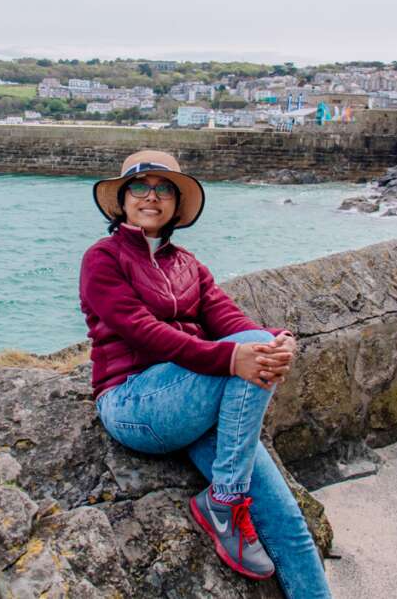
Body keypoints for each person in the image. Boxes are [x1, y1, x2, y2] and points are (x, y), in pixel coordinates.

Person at [79, 150, 332, 598]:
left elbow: (233, 322)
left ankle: (227, 501)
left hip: (196, 407)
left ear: (177, 204)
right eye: (139, 187)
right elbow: (145, 332)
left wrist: (279, 339)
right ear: (122, 200)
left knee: (288, 524)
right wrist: (232, 360)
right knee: (243, 350)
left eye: (164, 189)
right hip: (134, 404)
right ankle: (226, 500)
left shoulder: (189, 266)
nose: (151, 196)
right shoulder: (103, 258)